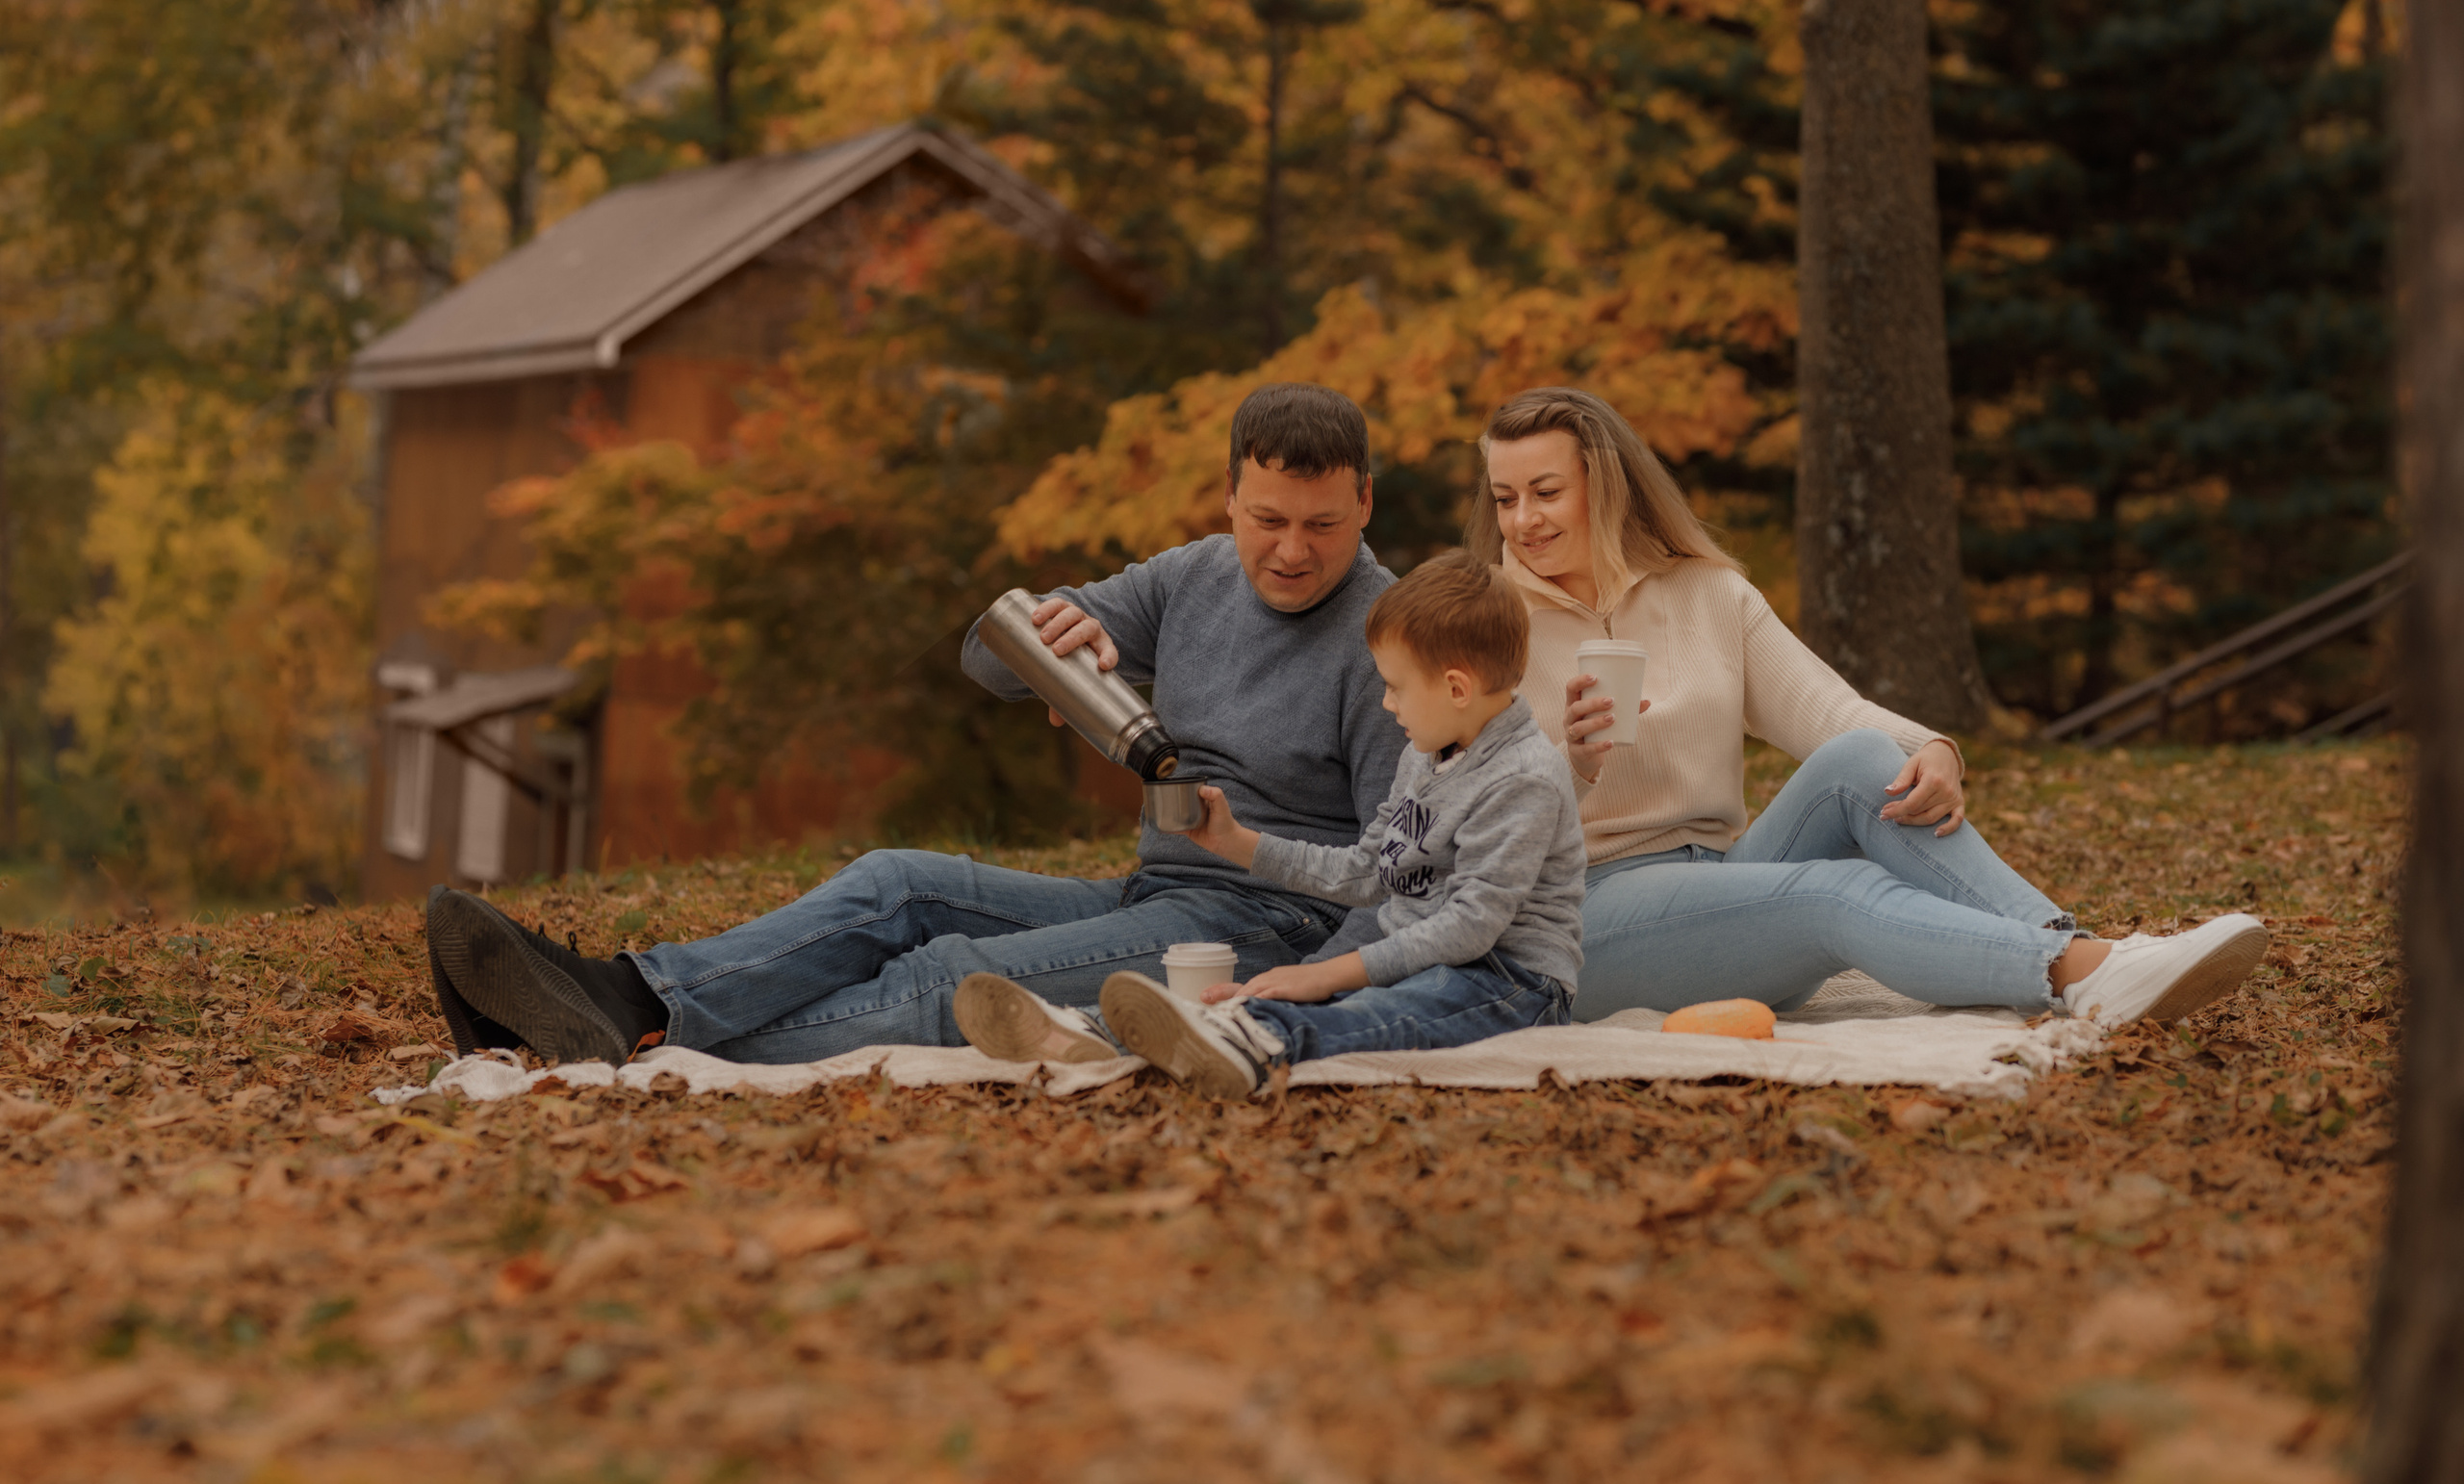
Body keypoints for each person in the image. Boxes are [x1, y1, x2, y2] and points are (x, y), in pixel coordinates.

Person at [424, 382, 1411, 1066]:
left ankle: (638, 1040)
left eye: (1322, 525)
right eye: (1267, 518)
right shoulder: (1191, 575)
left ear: (1364, 502)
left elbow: (1393, 869)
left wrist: (1310, 996)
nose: (1289, 551)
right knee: (896, 886)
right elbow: (985, 661)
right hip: (1152, 889)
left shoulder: (1387, 637)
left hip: (1264, 929)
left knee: (954, 974)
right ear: (1229, 496)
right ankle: (622, 995)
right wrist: (1055, 645)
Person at [1471, 385, 2268, 1026]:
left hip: (1727, 882)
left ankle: (2082, 952)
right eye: (1505, 498)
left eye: (1546, 492)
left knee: (1860, 761)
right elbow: (1465, 823)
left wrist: (1936, 749)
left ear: (1604, 486)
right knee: (1832, 892)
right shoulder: (1481, 627)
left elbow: (1831, 710)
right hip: (1586, 923)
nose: (1523, 521)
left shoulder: (1708, 593)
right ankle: (2079, 975)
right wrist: (1567, 767)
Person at [959, 553, 1584, 1098]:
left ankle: (1248, 1039)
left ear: (1455, 688)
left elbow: (1471, 929)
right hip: (1415, 961)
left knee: (1372, 1014)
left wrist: (1327, 972)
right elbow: (1368, 870)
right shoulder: (1428, 753)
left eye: (1394, 686)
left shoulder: (1523, 779)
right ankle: (1094, 1028)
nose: (1386, 703)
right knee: (1330, 995)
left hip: (1512, 983)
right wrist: (1237, 843)